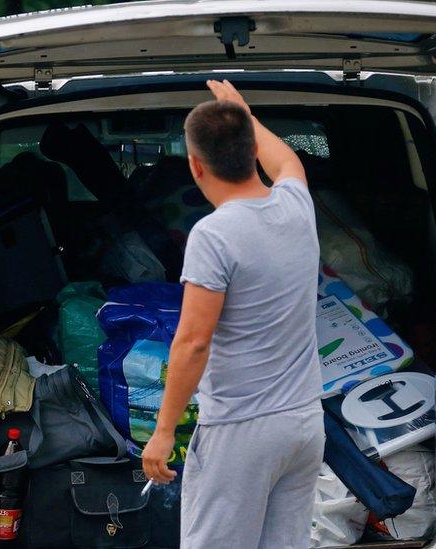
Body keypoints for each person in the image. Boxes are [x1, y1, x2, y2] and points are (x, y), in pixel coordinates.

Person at [141, 81, 324, 548]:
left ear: (195, 166)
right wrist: (245, 113)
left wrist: (163, 433)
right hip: (303, 423)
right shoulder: (296, 205)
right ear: (250, 149)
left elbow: (193, 342)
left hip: (241, 430)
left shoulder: (213, 235)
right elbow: (284, 160)